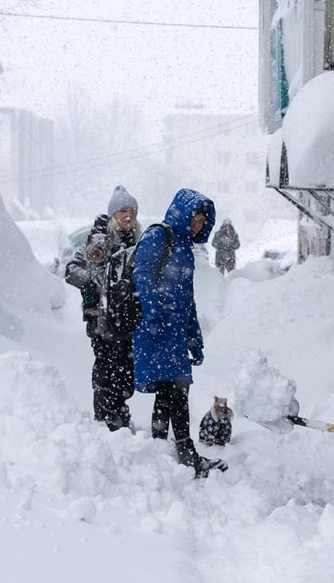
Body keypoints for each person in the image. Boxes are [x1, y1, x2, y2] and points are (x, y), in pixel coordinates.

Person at [132, 188, 228, 478]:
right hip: (156, 331)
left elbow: (188, 299)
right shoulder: (158, 236)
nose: (198, 223)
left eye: (202, 219)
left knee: (174, 393)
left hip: (173, 334)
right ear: (182, 213)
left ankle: (168, 453)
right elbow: (142, 276)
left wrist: (194, 338)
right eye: (195, 216)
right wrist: (151, 316)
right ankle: (182, 454)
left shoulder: (186, 250)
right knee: (172, 393)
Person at [65, 186, 142, 431]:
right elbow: (71, 271)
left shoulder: (138, 241)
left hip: (127, 321)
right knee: (107, 369)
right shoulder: (99, 238)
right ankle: (106, 418)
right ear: (112, 216)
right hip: (101, 320)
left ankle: (118, 413)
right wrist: (100, 284)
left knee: (126, 371)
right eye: (122, 211)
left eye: (132, 211)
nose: (128, 216)